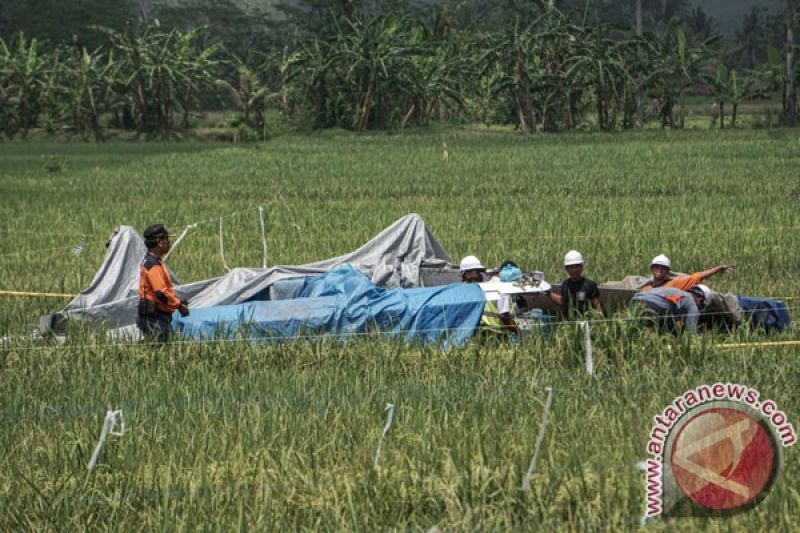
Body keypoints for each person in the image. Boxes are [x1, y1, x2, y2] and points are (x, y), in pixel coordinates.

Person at [137, 224, 189, 342]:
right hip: (154, 319)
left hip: (155, 317)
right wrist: (179, 305)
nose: (169, 242)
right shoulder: (153, 265)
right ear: (159, 242)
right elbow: (161, 293)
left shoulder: (155, 261)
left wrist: (177, 302)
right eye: (167, 239)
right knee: (159, 347)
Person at [460, 255, 518, 335]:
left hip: (491, 332)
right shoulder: (482, 287)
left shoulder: (497, 286)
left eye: (464, 276)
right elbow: (504, 316)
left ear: (470, 274)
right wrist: (518, 332)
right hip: (495, 332)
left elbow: (504, 315)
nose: (463, 280)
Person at [548, 250, 603, 317]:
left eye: (577, 266)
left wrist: (600, 322)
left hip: (586, 322)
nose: (574, 270)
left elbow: (597, 305)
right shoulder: (565, 285)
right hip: (569, 322)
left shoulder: (590, 285)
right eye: (571, 267)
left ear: (581, 267)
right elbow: (563, 301)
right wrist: (547, 293)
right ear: (566, 269)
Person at [638, 254, 733, 292]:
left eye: (663, 268)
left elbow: (697, 276)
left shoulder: (674, 283)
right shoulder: (645, 287)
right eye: (656, 267)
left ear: (667, 271)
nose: (659, 269)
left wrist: (717, 269)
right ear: (651, 269)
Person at [631, 287, 704, 335]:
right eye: (701, 304)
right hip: (655, 304)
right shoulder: (690, 299)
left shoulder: (676, 292)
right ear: (700, 298)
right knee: (677, 330)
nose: (699, 306)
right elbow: (691, 330)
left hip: (635, 302)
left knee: (645, 327)